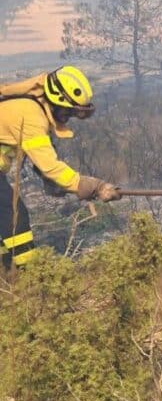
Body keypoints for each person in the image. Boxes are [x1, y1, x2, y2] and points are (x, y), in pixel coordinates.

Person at [0, 66, 120, 269]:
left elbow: (41, 156)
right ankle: (28, 276)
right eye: (67, 112)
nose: (67, 118)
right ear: (55, 101)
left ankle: (5, 273)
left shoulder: (32, 108)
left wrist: (54, 183)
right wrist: (93, 186)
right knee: (14, 216)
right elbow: (49, 166)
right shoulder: (31, 115)